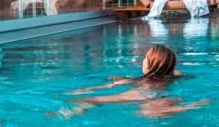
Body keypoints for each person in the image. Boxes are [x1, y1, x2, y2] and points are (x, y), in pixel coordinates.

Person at [57, 44, 209, 120]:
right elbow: (175, 71)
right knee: (150, 111)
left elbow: (109, 86)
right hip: (162, 95)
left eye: (145, 58)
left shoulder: (136, 80)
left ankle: (70, 112)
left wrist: (82, 90)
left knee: (95, 99)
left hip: (143, 93)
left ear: (149, 65)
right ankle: (184, 107)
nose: (143, 60)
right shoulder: (175, 76)